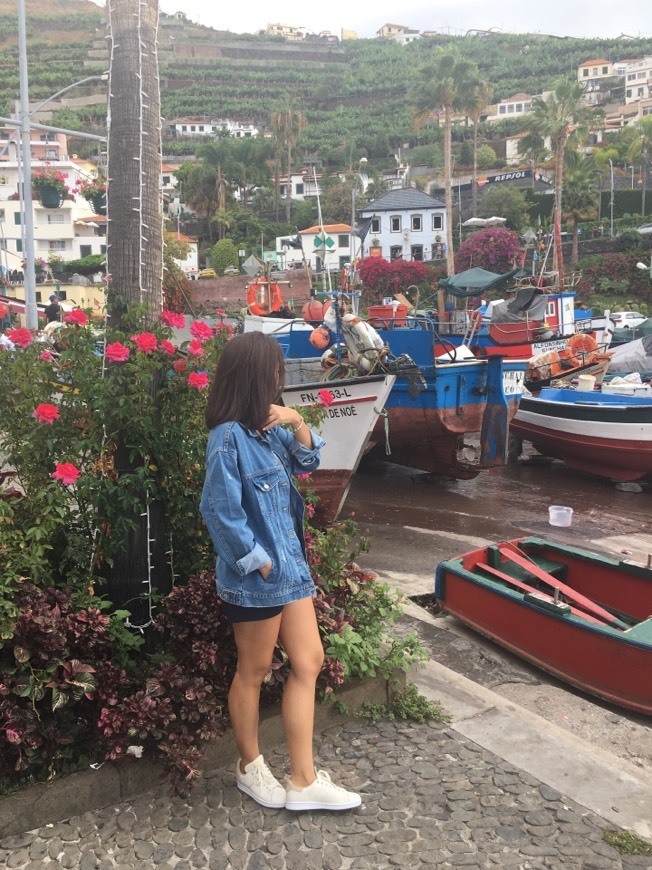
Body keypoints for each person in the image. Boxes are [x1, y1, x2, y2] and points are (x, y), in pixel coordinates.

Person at [200, 331, 361, 812]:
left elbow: (309, 462)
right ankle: (250, 768)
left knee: (308, 661)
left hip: (290, 571)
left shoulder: (269, 429)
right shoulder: (227, 437)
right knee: (252, 671)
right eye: (273, 370)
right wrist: (260, 562)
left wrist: (296, 419)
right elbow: (218, 511)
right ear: (252, 374)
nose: (279, 378)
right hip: (258, 577)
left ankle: (303, 780)